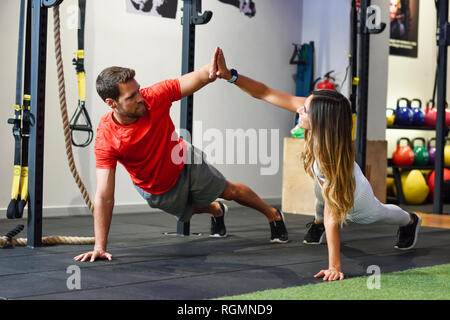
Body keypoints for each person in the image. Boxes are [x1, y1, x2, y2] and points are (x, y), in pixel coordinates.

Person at [213, 47, 421, 281]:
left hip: (357, 201)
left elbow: (335, 216)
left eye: (305, 110)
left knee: (381, 212)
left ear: (321, 121)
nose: (299, 111)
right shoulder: (317, 116)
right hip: (326, 182)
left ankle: (411, 220)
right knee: (318, 192)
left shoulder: (328, 161)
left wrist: (335, 266)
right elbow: (265, 92)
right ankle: (316, 222)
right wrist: (230, 75)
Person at [74, 47, 288, 263]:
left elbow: (200, 76)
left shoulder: (154, 97)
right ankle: (217, 210)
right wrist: (99, 247)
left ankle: (273, 214)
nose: (140, 98)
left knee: (228, 190)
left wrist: (214, 70)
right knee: (189, 210)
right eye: (131, 96)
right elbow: (104, 195)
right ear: (112, 103)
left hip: (185, 162)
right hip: (154, 187)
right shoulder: (107, 137)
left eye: (138, 90)